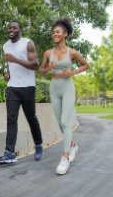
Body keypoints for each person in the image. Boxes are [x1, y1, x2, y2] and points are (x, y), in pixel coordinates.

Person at [40, 17, 90, 174]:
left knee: (65, 121)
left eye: (58, 32)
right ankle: (73, 145)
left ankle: (66, 158)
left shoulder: (72, 52)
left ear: (65, 34)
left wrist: (73, 72)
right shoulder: (48, 53)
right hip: (54, 89)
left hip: (67, 88)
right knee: (61, 124)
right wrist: (49, 67)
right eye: (53, 32)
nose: (54, 34)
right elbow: (42, 71)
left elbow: (86, 65)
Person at [0, 20, 43, 165]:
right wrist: (8, 75)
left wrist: (15, 60)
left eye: (14, 27)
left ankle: (38, 144)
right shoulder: (5, 45)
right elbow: (11, 65)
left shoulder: (27, 43)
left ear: (20, 30)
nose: (11, 29)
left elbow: (35, 65)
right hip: (12, 88)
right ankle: (9, 153)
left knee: (31, 118)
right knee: (11, 119)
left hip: (28, 87)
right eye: (9, 27)